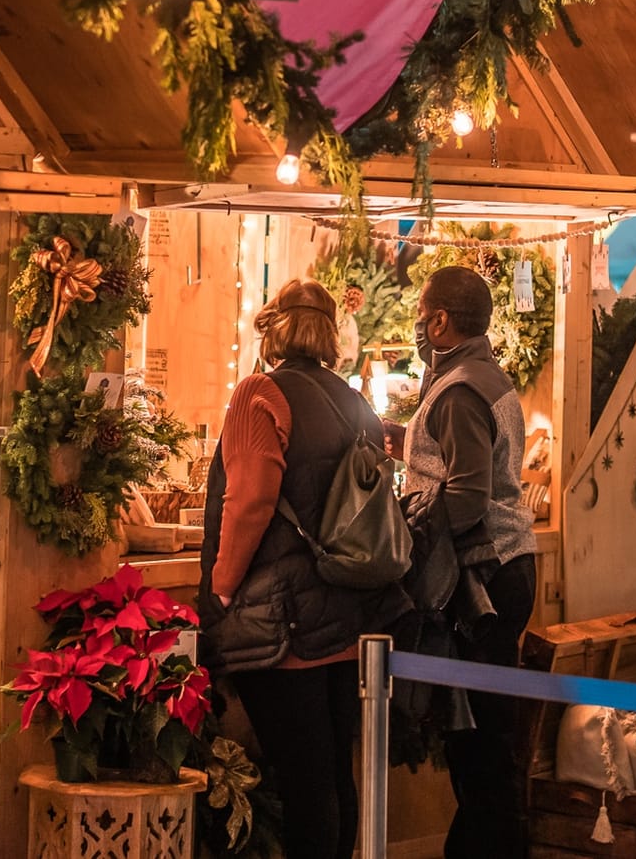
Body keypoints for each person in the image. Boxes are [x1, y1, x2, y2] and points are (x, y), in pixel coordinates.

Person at [198, 279, 407, 859]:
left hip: (280, 626)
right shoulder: (355, 401)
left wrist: (218, 592)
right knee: (334, 775)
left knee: (304, 784)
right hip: (345, 615)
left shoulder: (260, 394)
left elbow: (250, 503)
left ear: (271, 330)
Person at [406, 265, 539, 859]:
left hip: (483, 580)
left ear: (440, 320)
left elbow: (466, 495)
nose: (415, 318)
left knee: (481, 746)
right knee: (484, 740)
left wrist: (407, 537)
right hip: (506, 569)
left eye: (420, 308)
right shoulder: (482, 376)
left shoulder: (458, 388)